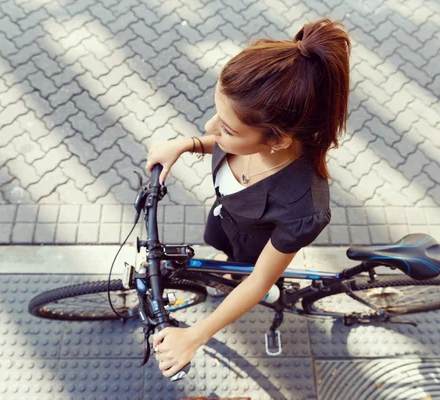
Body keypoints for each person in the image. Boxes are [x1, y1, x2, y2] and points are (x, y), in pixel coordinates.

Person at [145, 18, 351, 377]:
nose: (211, 128)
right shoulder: (249, 138)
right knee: (219, 247)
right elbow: (222, 143)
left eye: (226, 128)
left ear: (277, 140)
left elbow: (260, 279)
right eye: (216, 114)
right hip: (226, 219)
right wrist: (187, 144)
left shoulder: (303, 207)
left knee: (246, 277)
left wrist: (195, 335)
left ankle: (235, 278)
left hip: (258, 247)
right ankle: (226, 261)